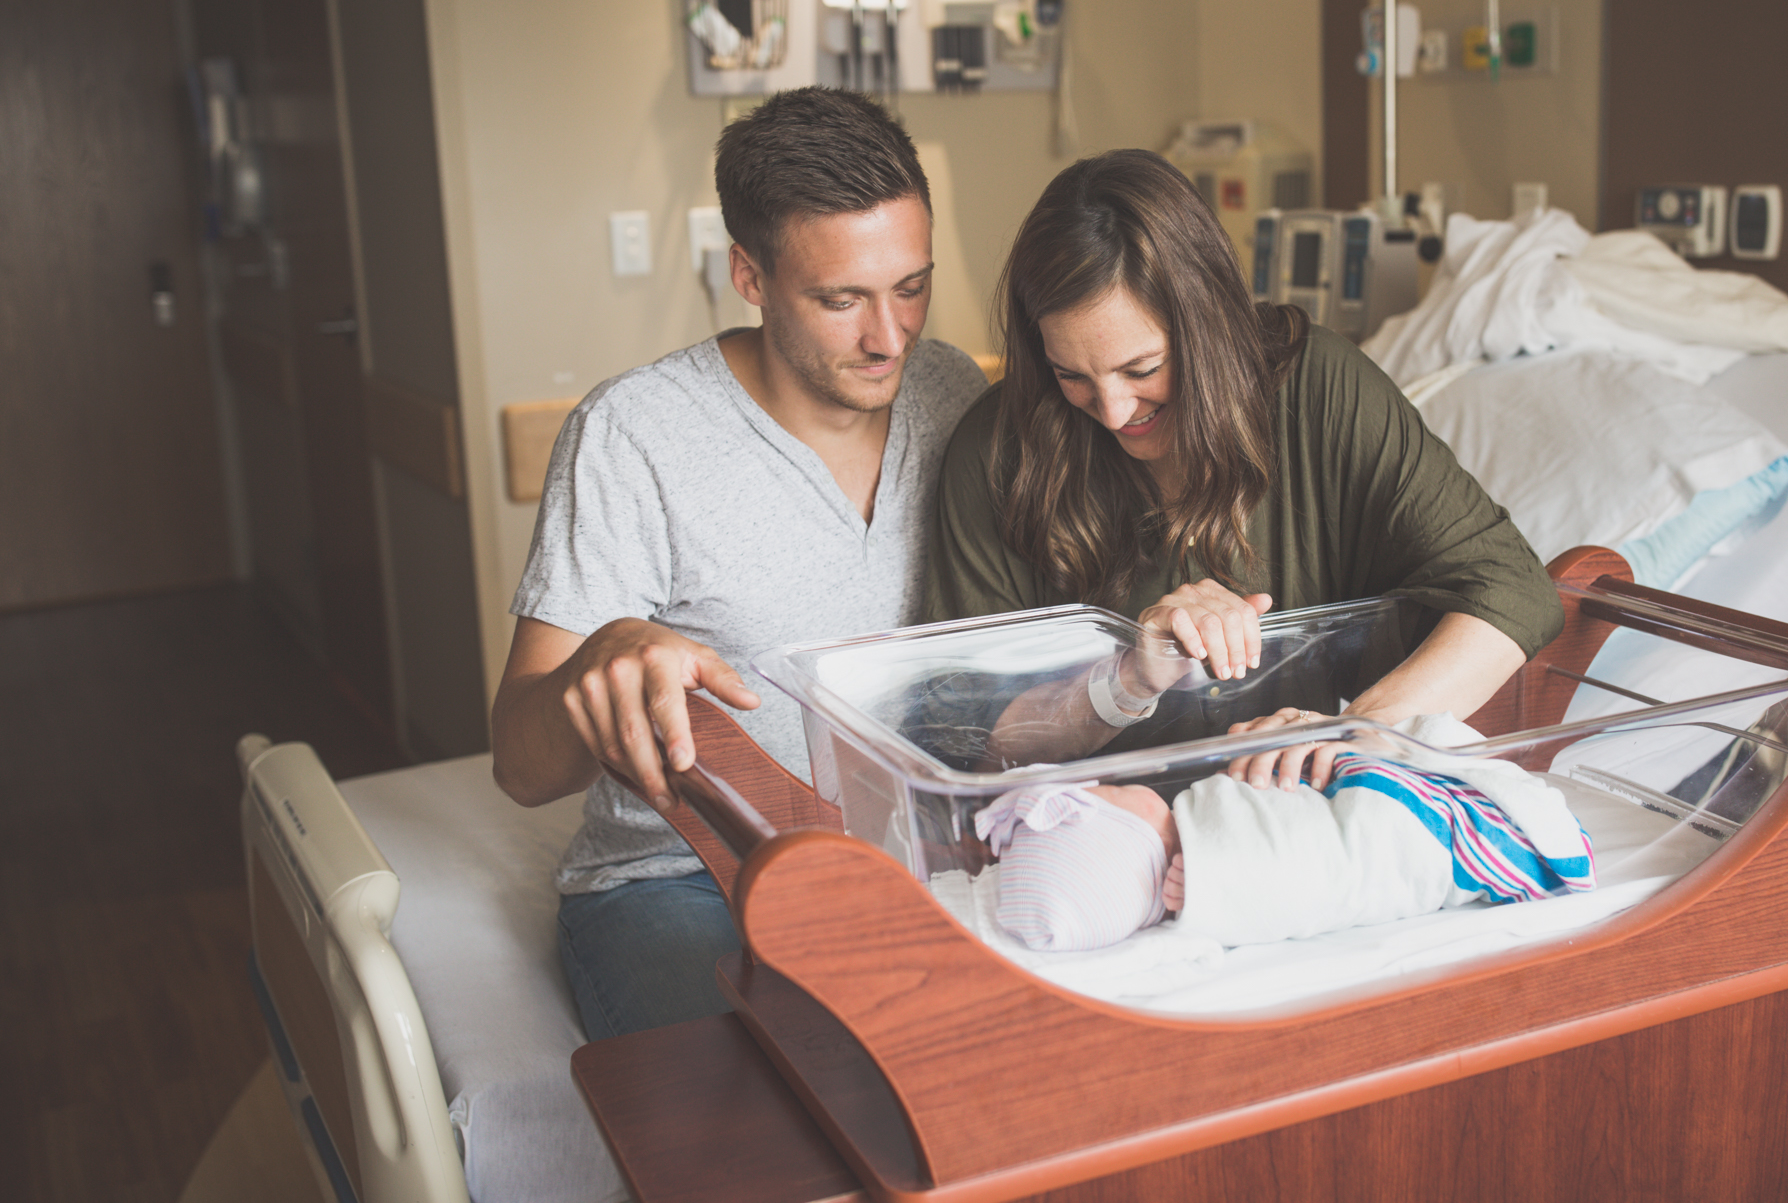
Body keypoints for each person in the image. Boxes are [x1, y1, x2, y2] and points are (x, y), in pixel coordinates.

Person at [490, 87, 989, 1037]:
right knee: (783, 1104)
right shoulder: (634, 435)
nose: (890, 336)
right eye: (841, 300)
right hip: (679, 879)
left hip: (906, 853)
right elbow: (519, 763)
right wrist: (600, 668)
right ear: (751, 277)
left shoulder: (953, 392)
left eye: (911, 285)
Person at [925, 149, 1562, 790]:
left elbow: (1509, 588)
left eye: (1142, 369)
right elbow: (972, 745)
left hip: (1290, 807)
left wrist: (1356, 731)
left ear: (1210, 327)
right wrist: (1126, 680)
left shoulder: (1317, 388)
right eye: (1072, 376)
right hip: (1096, 828)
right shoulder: (1001, 452)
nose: (1113, 412)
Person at [973, 719, 1597, 953]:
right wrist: (1223, 885)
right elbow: (1317, 878)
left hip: (1358, 794)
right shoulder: (1214, 860)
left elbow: (1291, 804)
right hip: (1411, 833)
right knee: (1395, 820)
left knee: (1414, 742)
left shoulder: (1199, 814)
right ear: (1123, 843)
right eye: (1106, 797)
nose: (1109, 783)